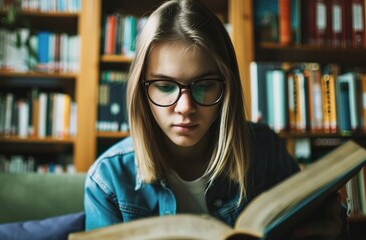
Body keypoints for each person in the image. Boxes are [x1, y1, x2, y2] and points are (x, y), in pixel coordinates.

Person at [84, 0, 345, 238]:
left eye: (204, 85)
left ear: (226, 87)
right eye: (165, 86)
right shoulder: (107, 181)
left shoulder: (266, 151)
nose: (185, 108)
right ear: (141, 91)